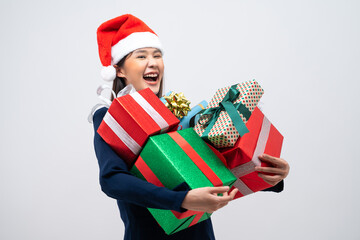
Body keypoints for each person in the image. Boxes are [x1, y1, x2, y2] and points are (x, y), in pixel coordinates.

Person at [92, 14, 289, 240]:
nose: (153, 61)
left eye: (157, 55)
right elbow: (111, 179)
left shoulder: (178, 113)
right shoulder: (108, 116)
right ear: (119, 70)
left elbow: (219, 168)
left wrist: (269, 176)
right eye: (141, 56)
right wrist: (182, 200)